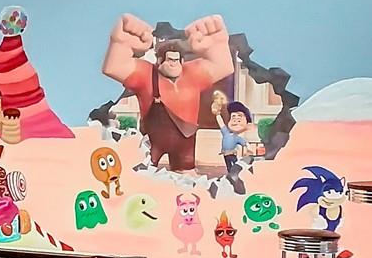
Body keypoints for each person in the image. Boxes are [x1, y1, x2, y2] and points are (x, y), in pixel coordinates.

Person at [101, 13, 234, 173]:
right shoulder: (146, 74)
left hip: (185, 140)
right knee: (144, 173)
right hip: (153, 141)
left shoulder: (193, 73)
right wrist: (120, 44)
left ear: (182, 61)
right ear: (159, 61)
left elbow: (223, 67)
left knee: (187, 176)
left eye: (176, 60)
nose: (173, 64)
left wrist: (217, 45)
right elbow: (114, 67)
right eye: (169, 60)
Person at [215, 100, 257, 194]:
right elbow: (221, 124)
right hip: (225, 154)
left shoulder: (237, 137)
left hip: (233, 154)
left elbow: (244, 143)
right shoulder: (226, 133)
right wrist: (217, 114)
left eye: (239, 119)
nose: (235, 121)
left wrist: (248, 148)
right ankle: (231, 177)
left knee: (236, 165)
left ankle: (236, 177)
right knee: (229, 167)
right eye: (233, 118)